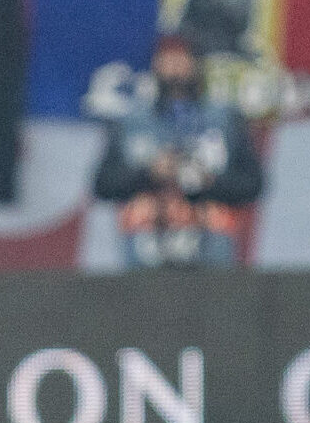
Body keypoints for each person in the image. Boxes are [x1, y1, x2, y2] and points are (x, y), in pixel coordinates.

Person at [92, 35, 262, 269]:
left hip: (212, 260)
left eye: (181, 58)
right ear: (155, 65)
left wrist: (207, 181)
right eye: (167, 58)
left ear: (196, 64)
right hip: (144, 259)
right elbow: (103, 184)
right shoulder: (132, 123)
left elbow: (253, 184)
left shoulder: (223, 120)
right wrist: (149, 173)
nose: (174, 67)